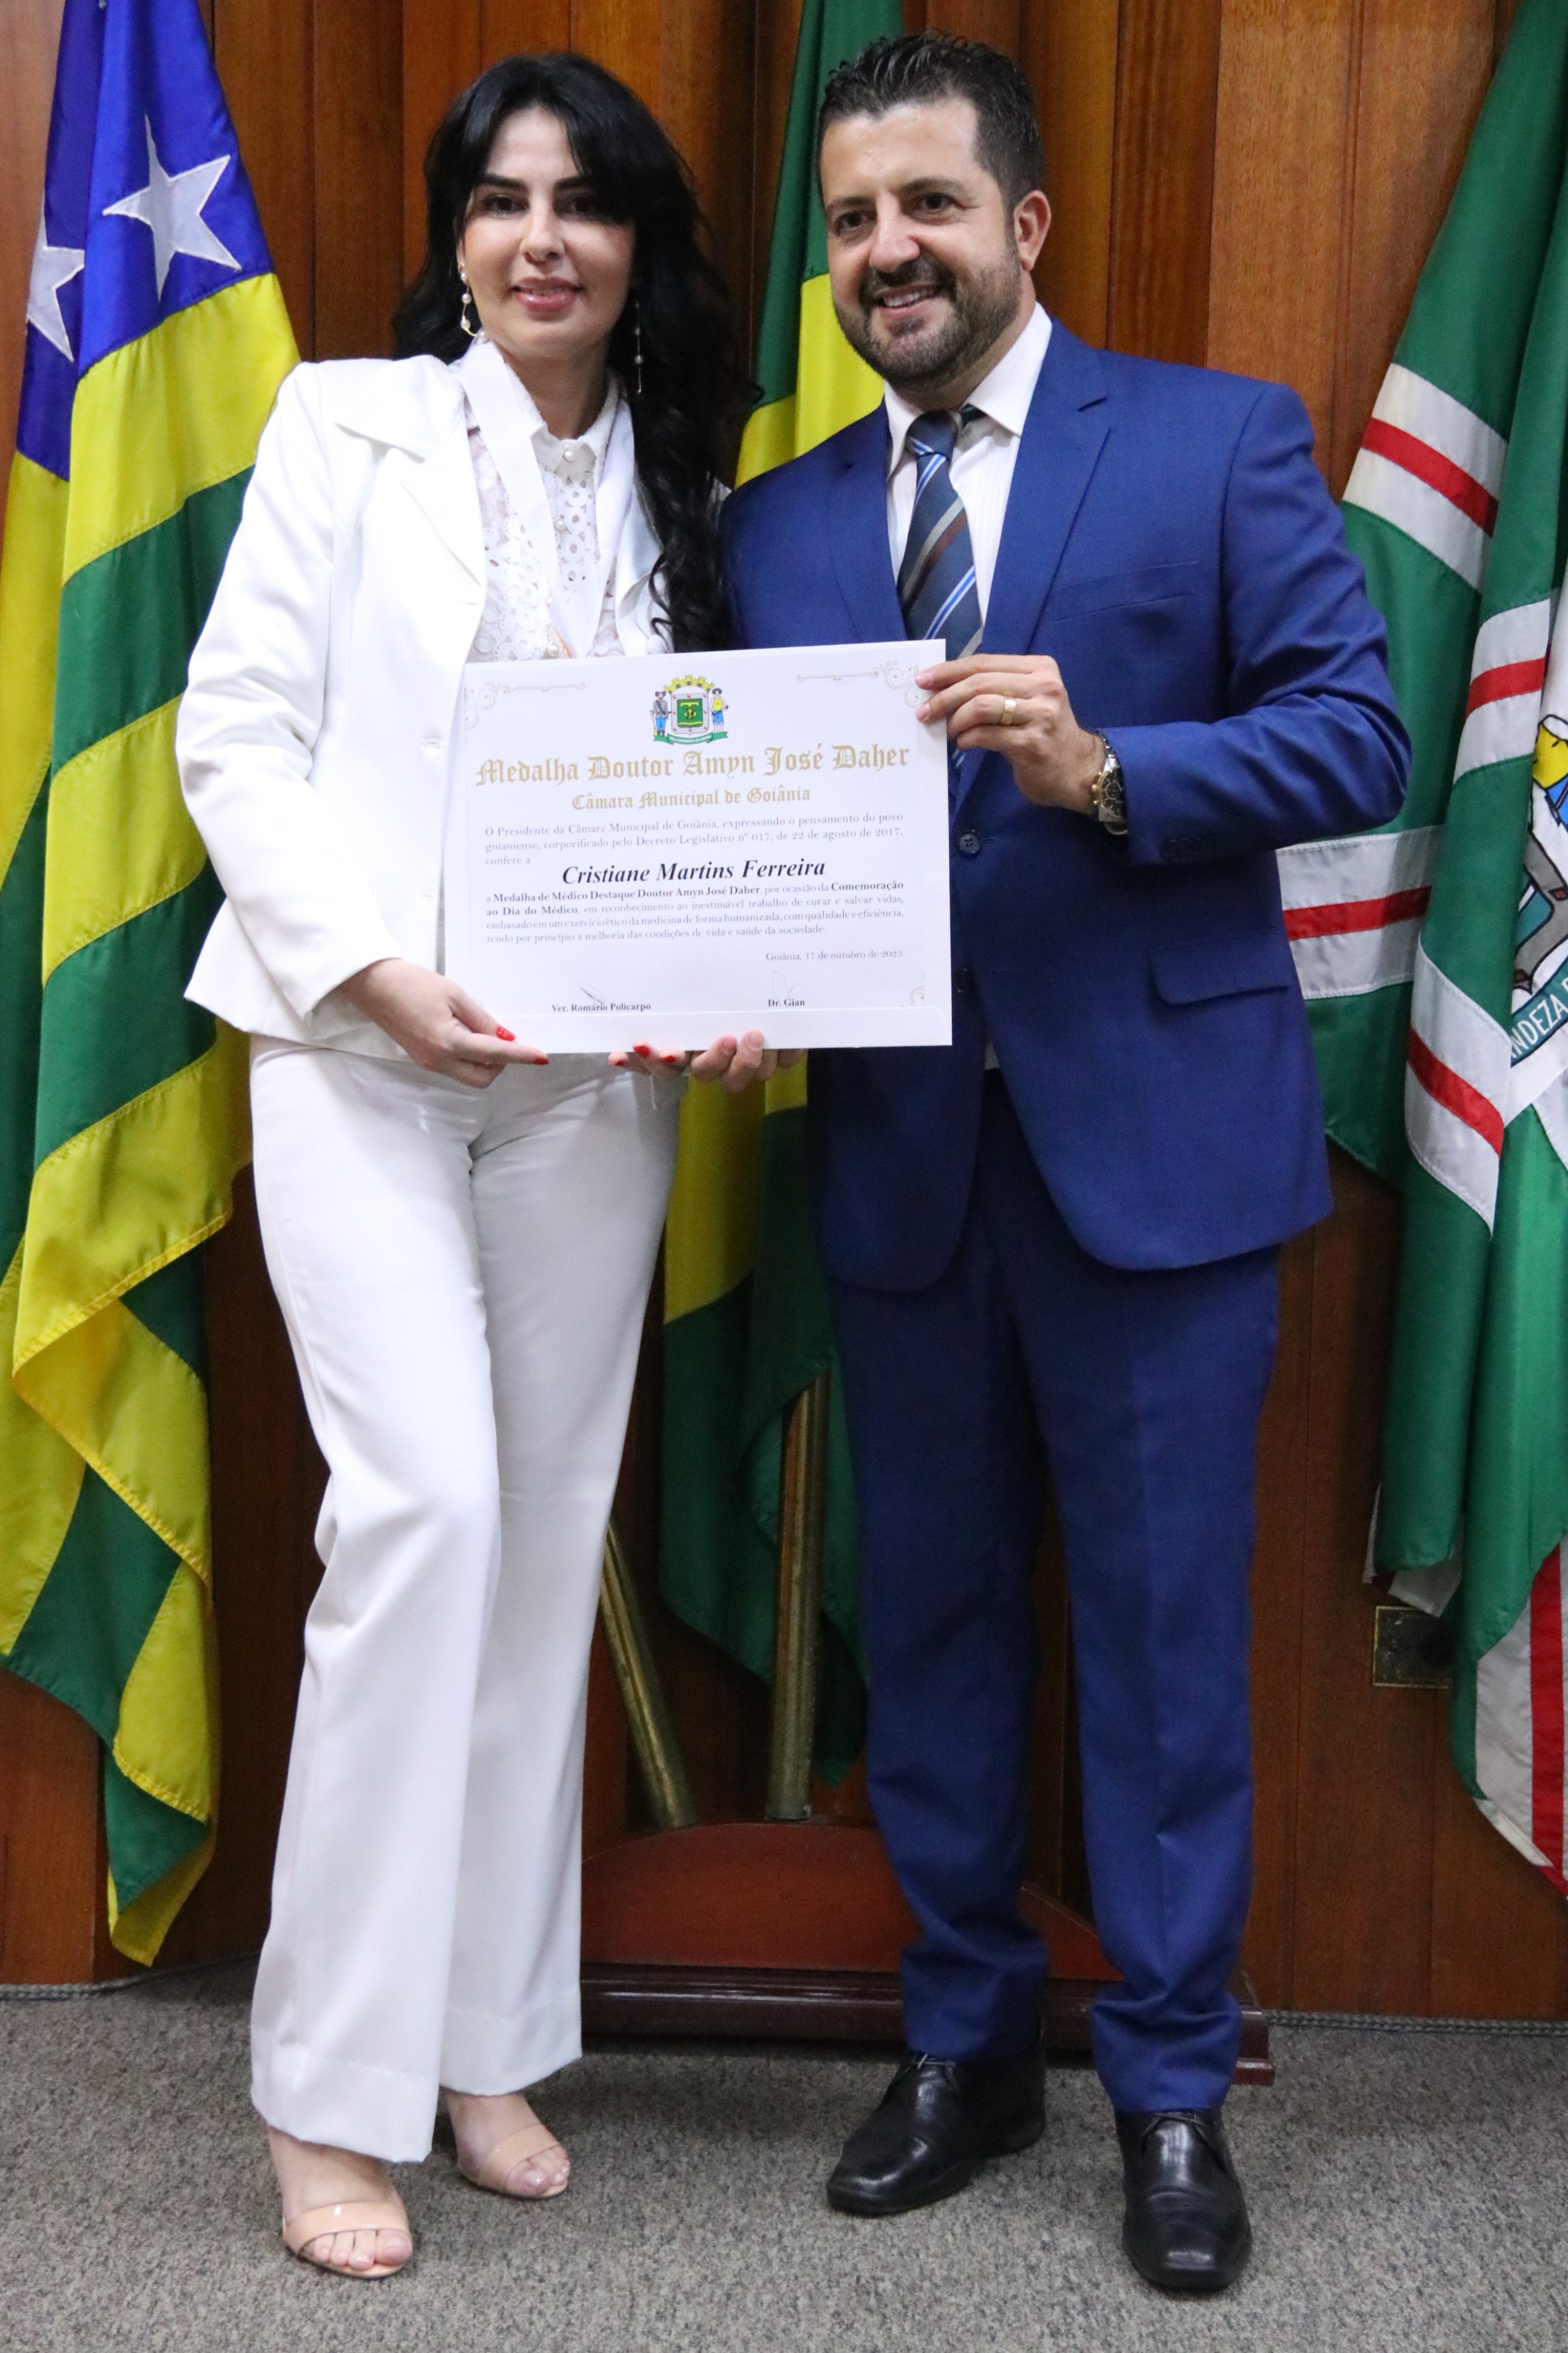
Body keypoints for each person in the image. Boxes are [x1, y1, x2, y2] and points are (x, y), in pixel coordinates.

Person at [722, 31, 1408, 2292]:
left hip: (1160, 1159)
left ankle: (1175, 2089)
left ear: (1022, 224)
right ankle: (964, 2046)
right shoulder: (780, 519)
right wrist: (717, 971)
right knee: (929, 1627)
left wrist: (1111, 770)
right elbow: (741, 831)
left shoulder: (1216, 440)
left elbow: (1358, 732)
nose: (885, 251)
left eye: (927, 205)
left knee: (1163, 1642)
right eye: (851, 219)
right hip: (905, 1161)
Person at [177, 52, 773, 2278]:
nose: (541, 238)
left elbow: (720, 800)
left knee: (535, 1549)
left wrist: (735, 976)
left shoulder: (693, 475)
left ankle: (483, 2037)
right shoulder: (344, 426)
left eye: (583, 202)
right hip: (361, 1054)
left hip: (589, 1093)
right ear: (454, 234)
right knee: (420, 1517)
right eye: (502, 198)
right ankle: (324, 2093)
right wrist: (368, 966)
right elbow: (234, 733)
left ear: (636, 245)